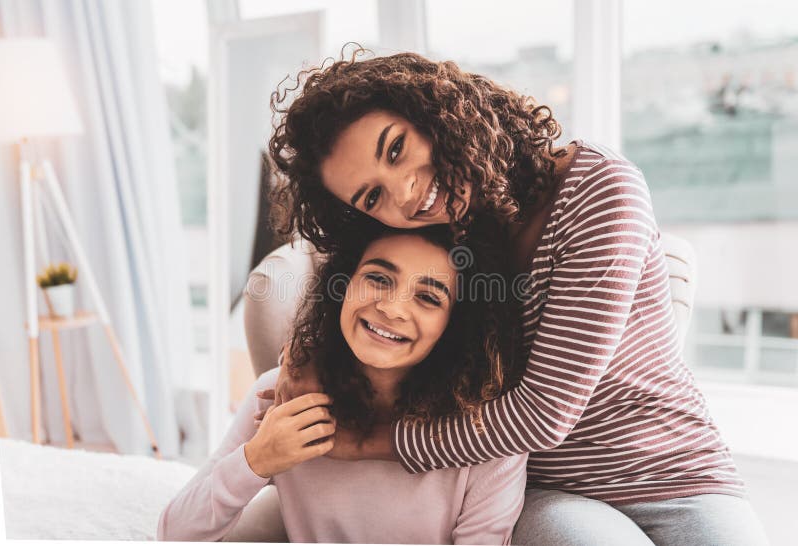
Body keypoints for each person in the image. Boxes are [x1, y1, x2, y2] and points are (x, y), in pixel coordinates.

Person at [266, 49, 770, 545]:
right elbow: (347, 281)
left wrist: (363, 443)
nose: (405, 194)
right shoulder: (446, 230)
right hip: (548, 492)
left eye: (396, 149)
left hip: (676, 476)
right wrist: (302, 352)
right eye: (373, 197)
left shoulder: (602, 189)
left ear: (432, 110)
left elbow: (542, 414)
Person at [158, 225, 528, 544]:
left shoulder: (489, 435)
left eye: (428, 297)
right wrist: (257, 460)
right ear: (343, 285)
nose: (393, 308)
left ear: (453, 327)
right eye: (378, 278)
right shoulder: (284, 396)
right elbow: (174, 534)